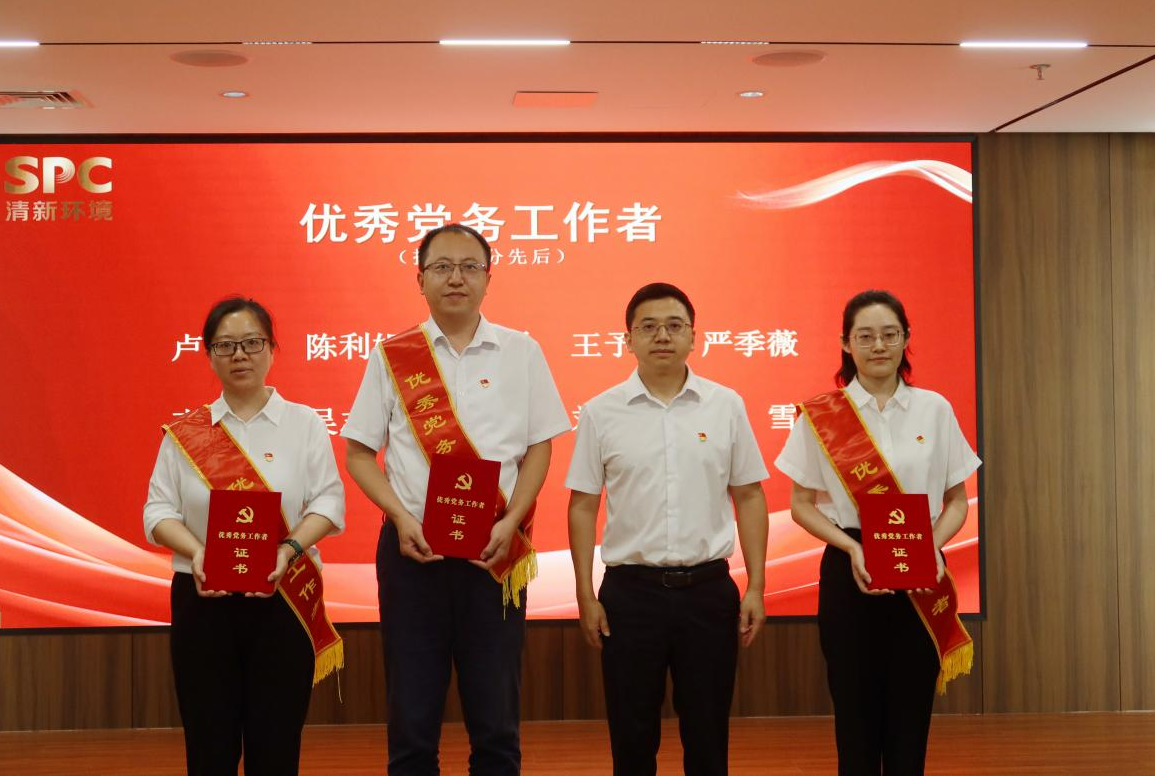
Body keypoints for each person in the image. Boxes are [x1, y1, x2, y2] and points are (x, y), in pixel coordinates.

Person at [342, 224, 570, 776]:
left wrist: (512, 520)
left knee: (496, 719)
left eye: (469, 266)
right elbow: (358, 454)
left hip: (495, 554)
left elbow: (540, 448)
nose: (456, 278)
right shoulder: (393, 356)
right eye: (442, 267)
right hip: (412, 553)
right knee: (412, 717)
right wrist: (400, 518)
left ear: (488, 278)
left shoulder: (521, 351)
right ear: (420, 279)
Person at [565, 282, 770, 776]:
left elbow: (749, 495)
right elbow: (583, 506)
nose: (662, 336)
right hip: (630, 596)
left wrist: (757, 586)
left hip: (708, 592)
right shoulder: (601, 411)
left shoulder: (725, 405)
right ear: (628, 339)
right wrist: (585, 595)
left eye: (675, 326)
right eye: (649, 327)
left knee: (708, 734)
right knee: (632, 737)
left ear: (694, 337)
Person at [775, 289, 980, 776]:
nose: (878, 345)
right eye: (865, 336)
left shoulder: (934, 409)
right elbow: (800, 505)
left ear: (906, 338)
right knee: (855, 719)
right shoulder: (821, 416)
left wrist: (930, 546)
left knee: (910, 720)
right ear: (846, 343)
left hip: (922, 571)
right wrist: (851, 547)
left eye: (890, 334)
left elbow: (956, 500)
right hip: (851, 568)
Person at [143, 296, 346, 776]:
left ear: (272, 349)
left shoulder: (305, 424)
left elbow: (328, 502)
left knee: (275, 746)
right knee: (208, 747)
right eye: (226, 345)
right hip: (203, 599)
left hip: (282, 597)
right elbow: (157, 511)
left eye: (252, 343)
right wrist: (198, 552)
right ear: (209, 354)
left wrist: (288, 548)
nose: (240, 355)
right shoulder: (186, 433)